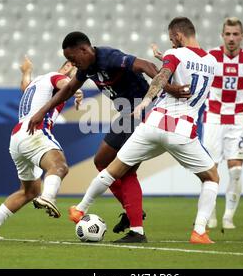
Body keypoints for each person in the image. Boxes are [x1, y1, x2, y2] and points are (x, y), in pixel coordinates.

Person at [27, 32, 191, 243]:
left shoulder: (109, 57)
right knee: (113, 165)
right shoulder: (87, 68)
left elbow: (146, 65)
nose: (72, 63)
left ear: (84, 50)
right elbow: (68, 89)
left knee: (116, 165)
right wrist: (43, 111)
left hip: (142, 111)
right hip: (127, 115)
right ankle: (134, 218)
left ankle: (136, 226)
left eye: (73, 58)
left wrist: (168, 88)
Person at [68, 17, 220, 244]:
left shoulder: (174, 54)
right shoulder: (212, 61)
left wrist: (144, 102)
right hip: (182, 130)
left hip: (154, 123)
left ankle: (80, 209)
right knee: (211, 178)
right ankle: (199, 231)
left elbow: (161, 77)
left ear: (178, 36)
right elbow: (189, 71)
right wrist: (165, 59)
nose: (172, 43)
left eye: (172, 39)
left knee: (113, 170)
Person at [152, 17, 243, 229]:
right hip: (212, 119)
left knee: (236, 171)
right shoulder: (212, 57)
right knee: (210, 170)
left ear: (242, 36)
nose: (231, 38)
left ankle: (228, 216)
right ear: (222, 35)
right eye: (227, 33)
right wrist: (163, 57)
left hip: (238, 120)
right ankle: (209, 215)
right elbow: (186, 62)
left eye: (235, 34)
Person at [0, 56, 83, 240]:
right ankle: (49, 197)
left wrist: (26, 71)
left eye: (75, 67)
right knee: (59, 166)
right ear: (64, 68)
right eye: (69, 65)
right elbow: (66, 83)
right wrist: (76, 89)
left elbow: (25, 87)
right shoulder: (55, 77)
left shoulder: (38, 82)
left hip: (17, 138)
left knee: (29, 191)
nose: (71, 68)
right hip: (35, 131)